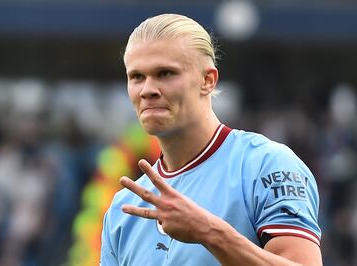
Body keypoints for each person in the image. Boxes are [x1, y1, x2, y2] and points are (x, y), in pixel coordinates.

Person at [100, 13, 322, 265]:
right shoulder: (122, 209)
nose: (147, 89)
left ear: (207, 80)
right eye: (137, 76)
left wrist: (209, 231)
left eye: (165, 73)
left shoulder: (266, 165)